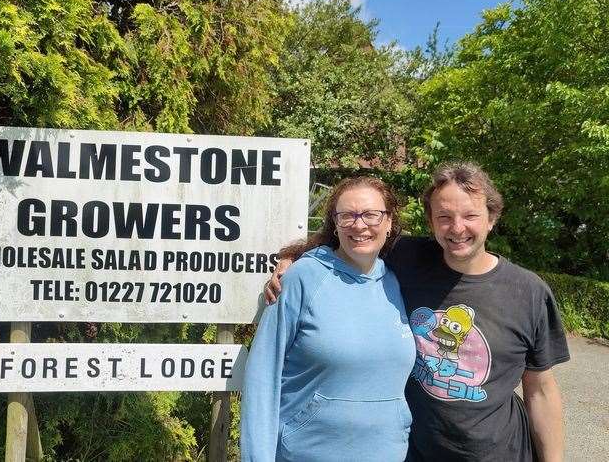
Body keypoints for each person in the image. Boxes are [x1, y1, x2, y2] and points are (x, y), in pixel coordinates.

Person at [263, 162, 570, 462]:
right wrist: (294, 259)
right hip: (415, 451)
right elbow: (351, 237)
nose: (457, 227)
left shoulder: (528, 292)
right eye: (444, 217)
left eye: (470, 215)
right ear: (431, 221)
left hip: (502, 451)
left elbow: (540, 390)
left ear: (491, 218)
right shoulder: (409, 259)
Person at [241, 177, 416, 461]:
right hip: (307, 452)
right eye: (347, 215)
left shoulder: (399, 281)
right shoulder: (302, 277)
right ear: (334, 223)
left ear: (389, 221)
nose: (359, 225)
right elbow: (262, 375)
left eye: (371, 214)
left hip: (387, 453)